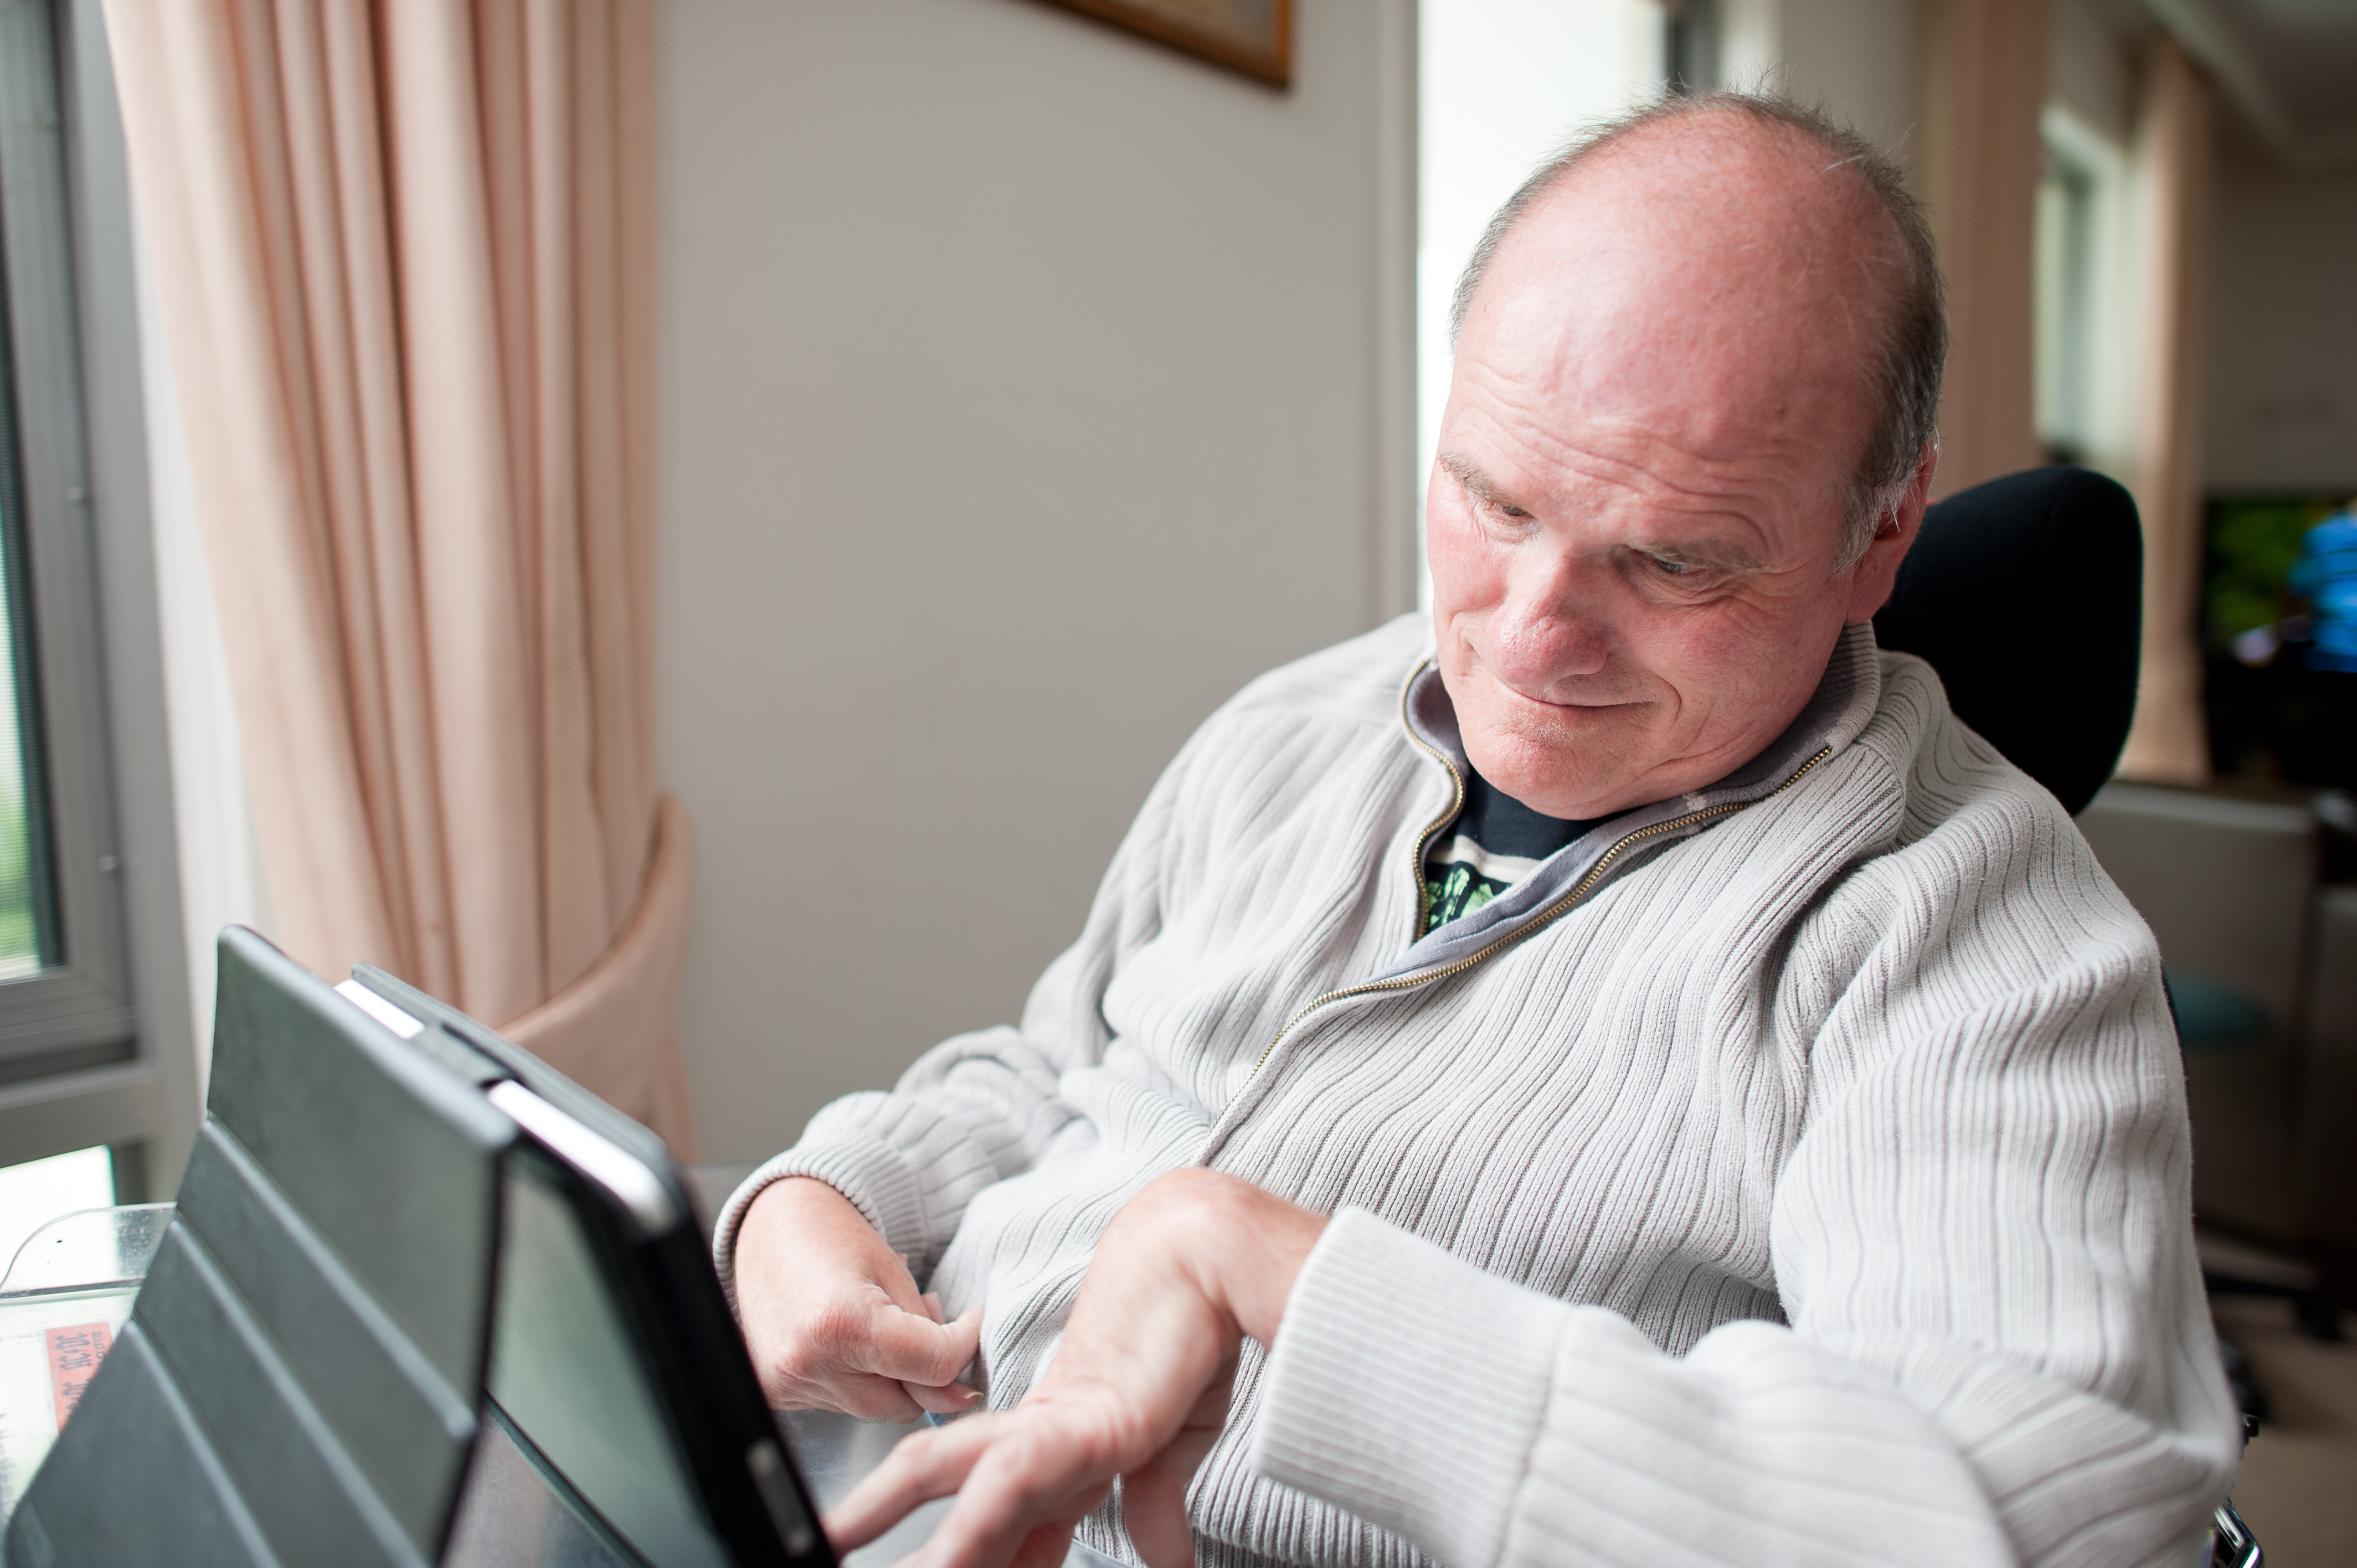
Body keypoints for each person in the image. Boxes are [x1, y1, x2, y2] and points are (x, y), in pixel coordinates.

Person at [719, 92, 2241, 1568]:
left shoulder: (1971, 935)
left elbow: (2042, 1518)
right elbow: (1068, 1067)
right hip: (873, 1489)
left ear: (1883, 535)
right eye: (1495, 505)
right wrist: (835, 1192)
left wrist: (1291, 1292)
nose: (1530, 639)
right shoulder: (1301, 724)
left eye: (1670, 562)